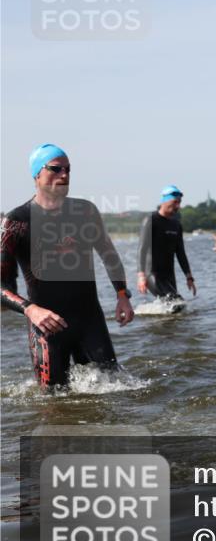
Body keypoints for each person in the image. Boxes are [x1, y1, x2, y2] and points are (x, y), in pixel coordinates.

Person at [1, 144, 134, 389]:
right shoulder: (16, 222)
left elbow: (109, 255)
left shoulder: (85, 211)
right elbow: (1, 287)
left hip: (90, 321)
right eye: (55, 169)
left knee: (114, 393)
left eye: (68, 169)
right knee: (53, 404)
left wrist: (123, 296)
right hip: (47, 327)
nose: (64, 175)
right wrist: (31, 310)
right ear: (36, 175)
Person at [137, 185, 196, 300]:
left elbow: (180, 253)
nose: (177, 206)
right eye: (175, 202)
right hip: (152, 274)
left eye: (179, 203)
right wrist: (141, 276)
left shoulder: (176, 225)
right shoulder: (151, 220)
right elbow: (142, 249)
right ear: (164, 200)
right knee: (175, 303)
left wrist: (189, 277)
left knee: (176, 306)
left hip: (169, 276)